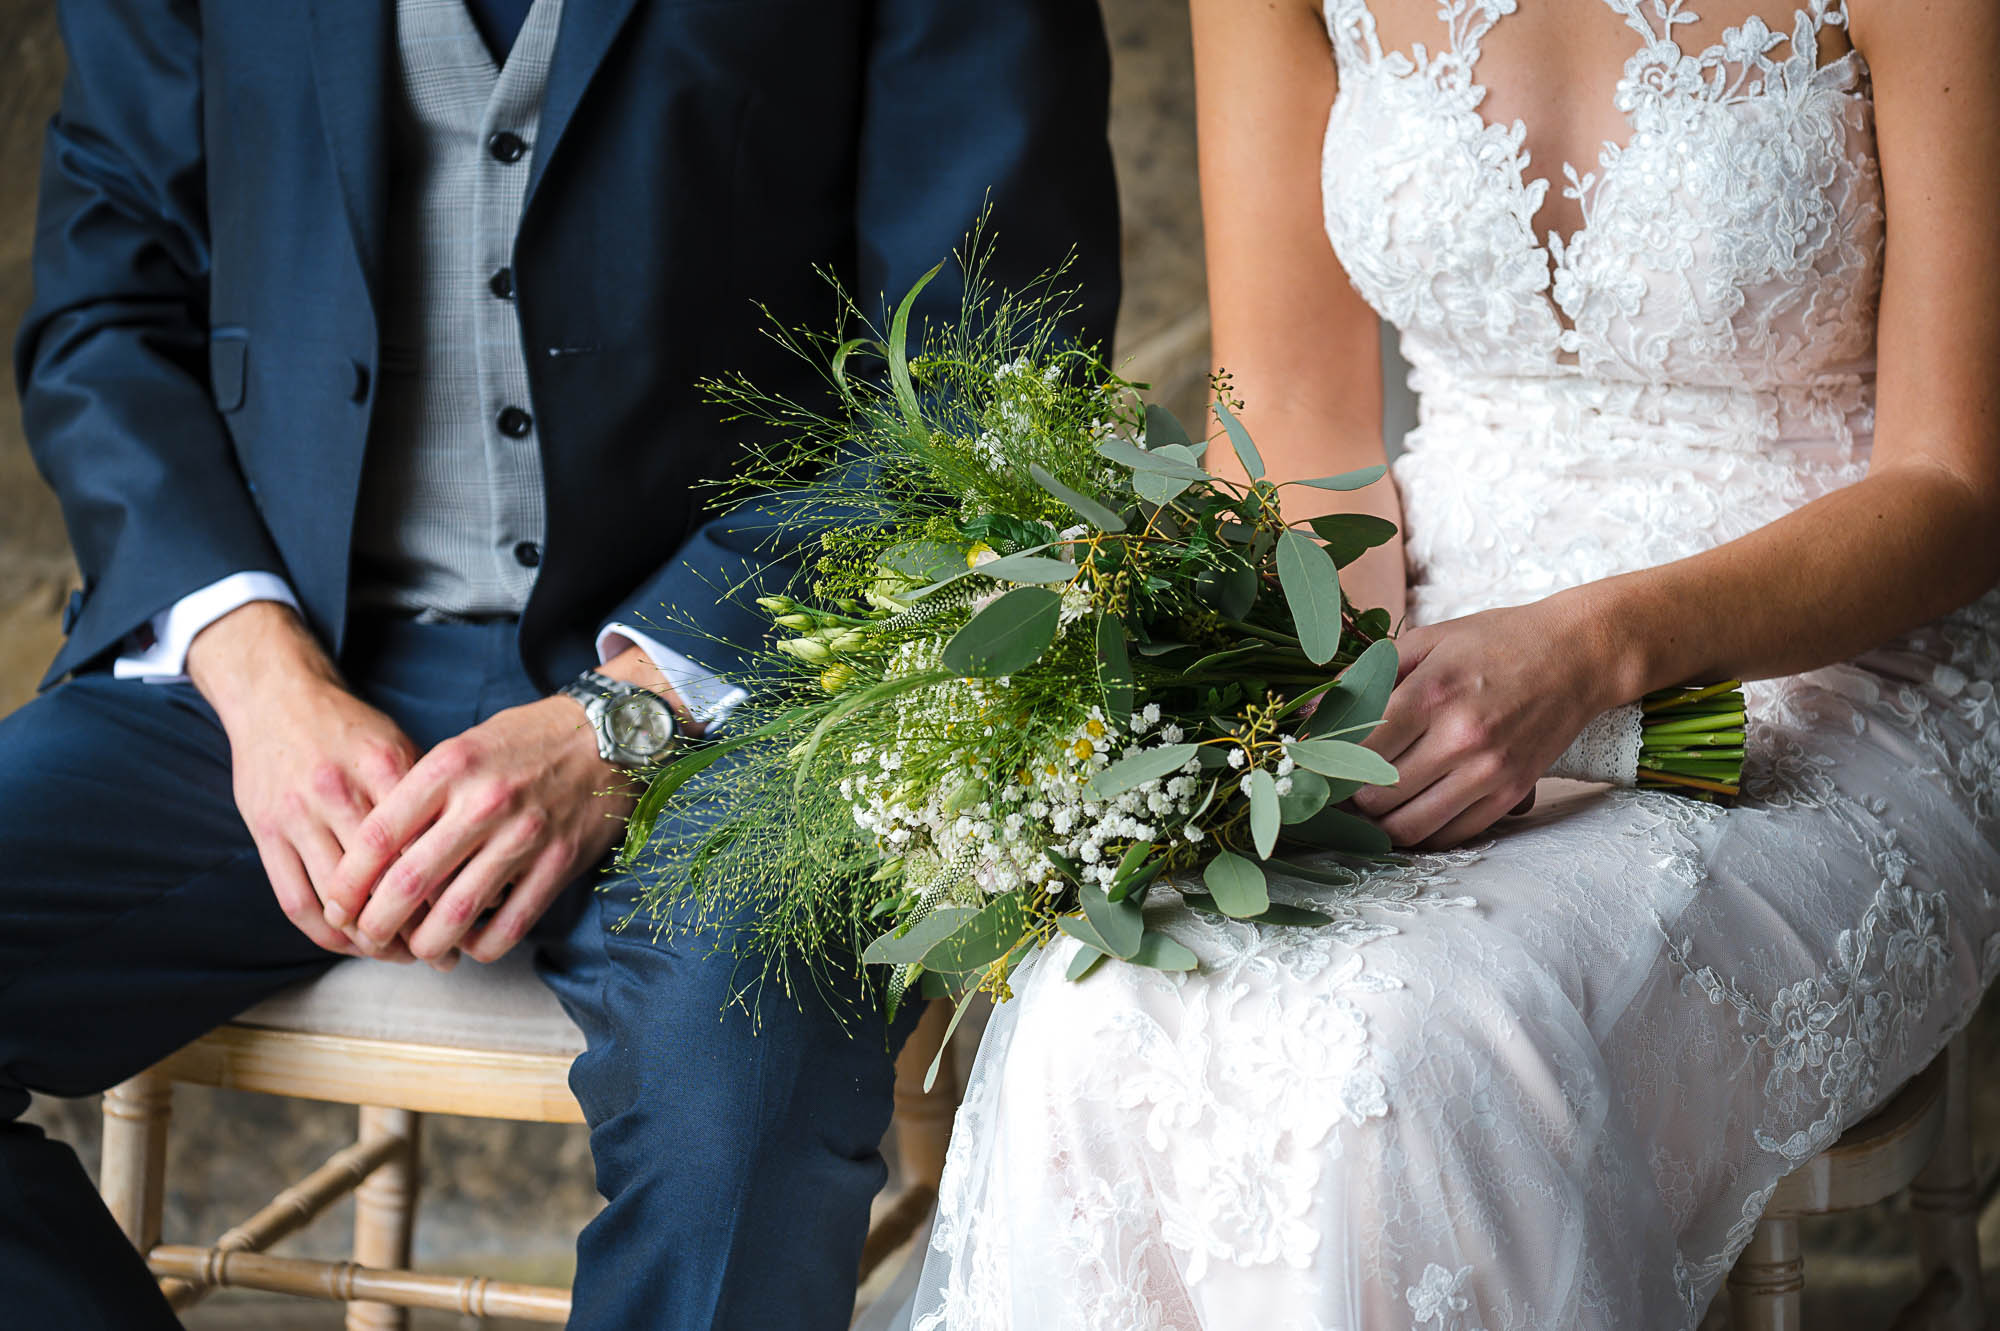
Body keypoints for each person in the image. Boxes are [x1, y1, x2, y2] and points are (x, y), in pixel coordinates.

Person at [0, 1, 1119, 1326]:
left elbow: (990, 365)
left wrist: (636, 711)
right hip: (272, 665)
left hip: (763, 680)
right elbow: (105, 307)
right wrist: (258, 674)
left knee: (739, 1092)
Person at [904, 0, 2000, 1327]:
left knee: (1416, 1046)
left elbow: (1955, 491)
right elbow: (1294, 431)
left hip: (1827, 690)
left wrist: (1589, 653)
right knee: (1104, 1014)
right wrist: (1309, 704)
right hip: (1421, 649)